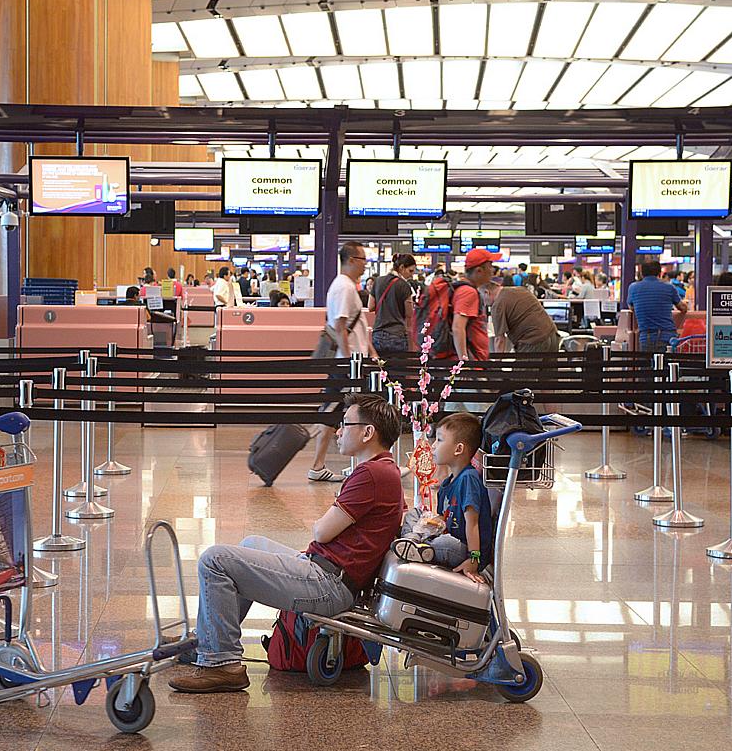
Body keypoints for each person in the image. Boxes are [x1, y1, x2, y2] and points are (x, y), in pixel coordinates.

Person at [170, 394, 403, 693]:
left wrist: (324, 522)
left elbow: (321, 531)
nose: (338, 432)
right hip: (328, 571)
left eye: (345, 424)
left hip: (328, 584)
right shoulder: (382, 470)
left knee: (215, 560)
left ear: (368, 432)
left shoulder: (372, 474)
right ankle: (209, 642)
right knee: (251, 543)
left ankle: (221, 663)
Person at [394, 412, 492, 578]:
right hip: (450, 535)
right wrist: (428, 523)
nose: (433, 446)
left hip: (464, 549)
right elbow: (443, 517)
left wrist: (474, 559)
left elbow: (472, 523)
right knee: (415, 513)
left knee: (443, 543)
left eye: (439, 440)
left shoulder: (468, 479)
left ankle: (417, 545)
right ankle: (413, 542)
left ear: (458, 449)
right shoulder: (449, 482)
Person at [308, 243, 372, 483]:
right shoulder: (344, 287)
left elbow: (355, 325)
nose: (365, 264)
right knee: (333, 412)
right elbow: (341, 326)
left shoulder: (345, 286)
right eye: (363, 259)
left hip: (349, 362)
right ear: (351, 260)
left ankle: (351, 464)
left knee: (337, 412)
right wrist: (348, 362)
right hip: (347, 364)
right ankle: (318, 465)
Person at [627, 259, 687, 352]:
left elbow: (631, 307)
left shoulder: (633, 288)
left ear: (642, 273)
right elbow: (682, 308)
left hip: (646, 337)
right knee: (668, 365)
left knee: (647, 365)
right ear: (659, 273)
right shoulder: (669, 287)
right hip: (667, 336)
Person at [449, 248, 497, 362]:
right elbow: (457, 327)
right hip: (472, 361)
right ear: (479, 270)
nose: (493, 270)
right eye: (490, 266)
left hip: (475, 359)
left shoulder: (467, 289)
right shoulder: (468, 292)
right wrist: (464, 362)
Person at [490, 282, 560, 354]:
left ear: (487, 293)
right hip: (552, 334)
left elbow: (500, 340)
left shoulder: (497, 305)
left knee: (524, 365)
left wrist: (497, 362)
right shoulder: (520, 290)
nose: (484, 303)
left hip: (533, 341)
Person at [370, 254, 416, 357]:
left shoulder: (378, 281)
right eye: (410, 271)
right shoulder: (404, 286)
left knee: (380, 370)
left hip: (378, 334)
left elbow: (370, 306)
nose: (411, 275)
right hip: (397, 335)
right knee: (397, 371)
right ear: (401, 267)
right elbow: (409, 313)